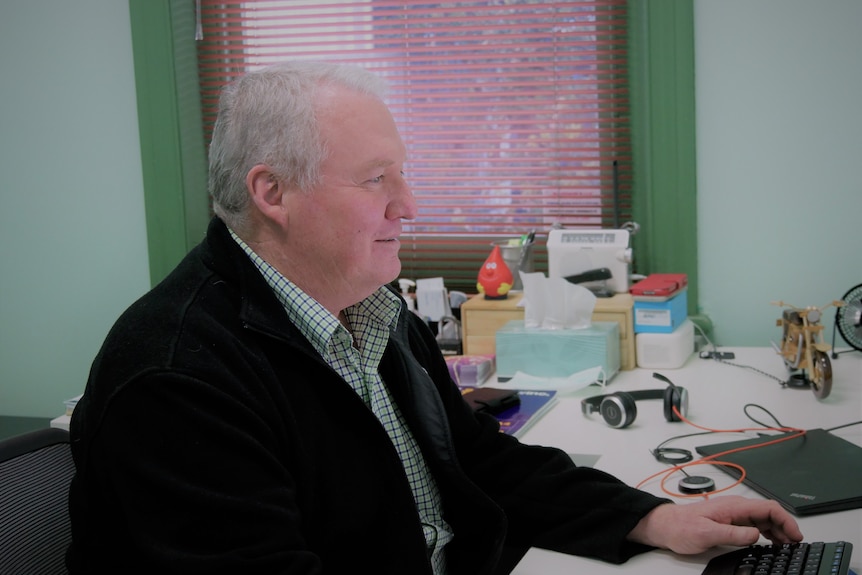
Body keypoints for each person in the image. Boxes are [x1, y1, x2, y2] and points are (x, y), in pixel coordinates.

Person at [67, 61, 803, 575]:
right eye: (375, 179)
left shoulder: (369, 310)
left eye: (403, 173)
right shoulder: (176, 379)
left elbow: (478, 461)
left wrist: (650, 518)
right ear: (272, 192)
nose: (410, 205)